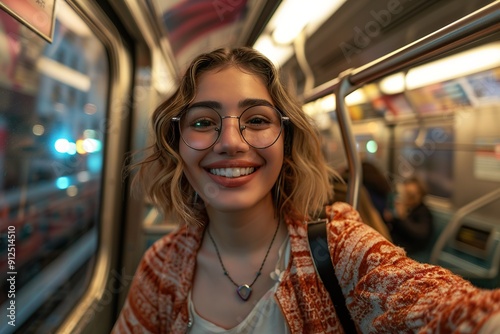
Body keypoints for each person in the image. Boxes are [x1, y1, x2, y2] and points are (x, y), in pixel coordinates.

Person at [112, 47, 500, 333]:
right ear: (175, 144)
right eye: (202, 123)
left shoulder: (338, 246)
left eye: (258, 119)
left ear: (287, 141)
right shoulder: (161, 268)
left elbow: (432, 304)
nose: (230, 141)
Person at [384, 176, 434, 254]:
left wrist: (402, 218)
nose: (408, 198)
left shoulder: (423, 212)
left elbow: (420, 235)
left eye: (411, 195)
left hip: (411, 248)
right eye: (406, 194)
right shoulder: (407, 207)